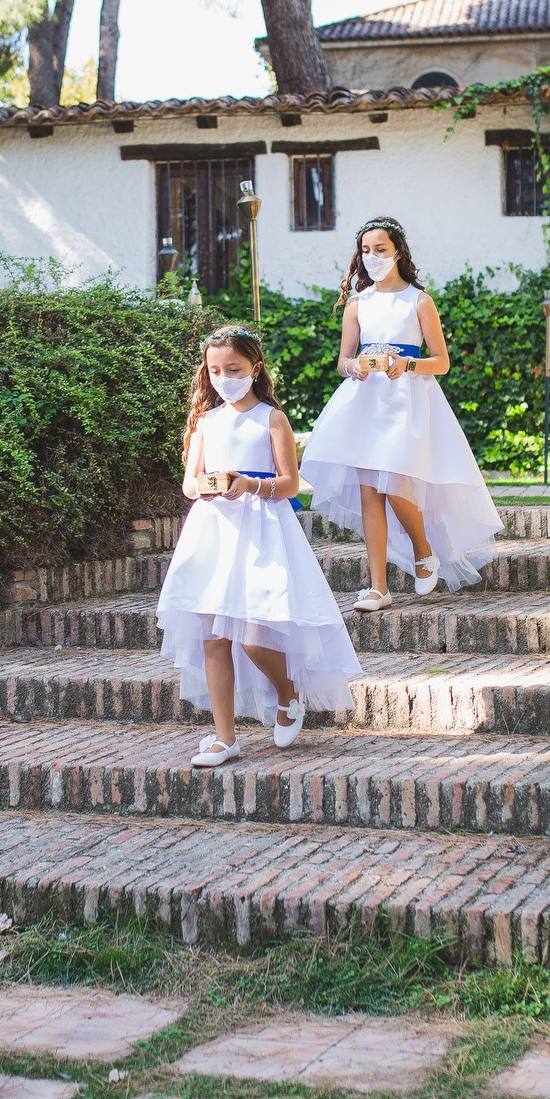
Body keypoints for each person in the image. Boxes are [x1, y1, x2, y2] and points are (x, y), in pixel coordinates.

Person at [156, 325, 360, 768]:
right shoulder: (205, 422)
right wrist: (206, 486)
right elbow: (189, 483)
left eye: (234, 368)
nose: (224, 377)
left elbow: (290, 483)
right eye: (215, 370)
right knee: (213, 638)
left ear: (254, 369)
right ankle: (224, 737)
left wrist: (251, 484)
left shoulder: (271, 418)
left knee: (251, 637)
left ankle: (287, 693)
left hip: (262, 529)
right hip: (214, 531)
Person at [299, 217, 501, 611]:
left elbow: (441, 362)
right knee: (369, 490)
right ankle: (378, 587)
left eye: (380, 249)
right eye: (366, 250)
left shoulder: (419, 301)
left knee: (393, 483)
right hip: (364, 402)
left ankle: (424, 552)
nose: (372, 257)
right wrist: (352, 367)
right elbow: (342, 359)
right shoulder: (358, 304)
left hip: (407, 402)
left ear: (398, 253)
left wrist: (406, 365)